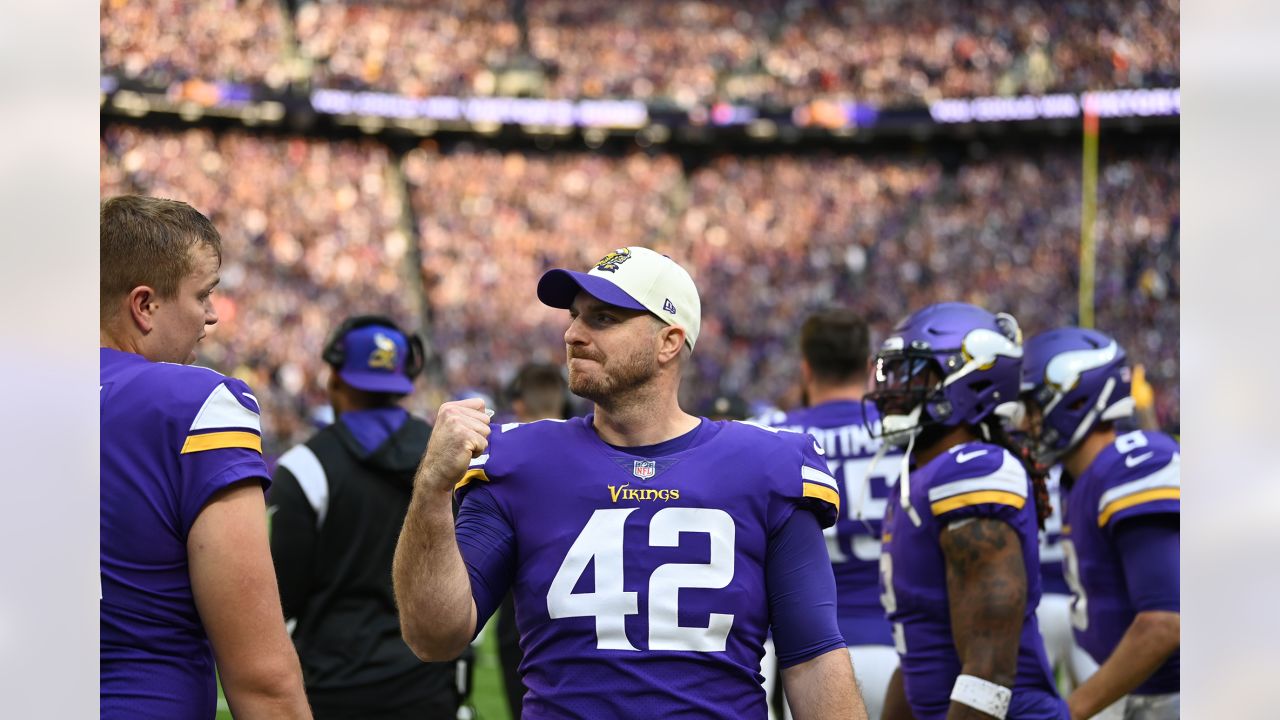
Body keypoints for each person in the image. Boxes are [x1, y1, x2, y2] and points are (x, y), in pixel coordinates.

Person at [393, 246, 868, 719]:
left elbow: (813, 657)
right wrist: (432, 489)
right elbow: (433, 636)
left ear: (669, 342)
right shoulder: (518, 461)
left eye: (603, 319)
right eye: (575, 317)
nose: (573, 334)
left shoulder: (766, 465)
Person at [99, 195, 310, 719]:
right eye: (203, 295)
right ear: (144, 306)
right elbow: (261, 677)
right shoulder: (194, 404)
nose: (212, 316)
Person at [869, 302, 1066, 720]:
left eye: (913, 374)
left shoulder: (974, 471)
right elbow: (919, 654)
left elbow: (989, 670)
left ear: (973, 380)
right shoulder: (921, 476)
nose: (890, 390)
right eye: (891, 373)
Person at [268, 315, 459, 719]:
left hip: (334, 685)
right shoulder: (449, 460)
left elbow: (282, 596)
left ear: (335, 377)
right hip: (429, 681)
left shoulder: (305, 467)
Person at [1020, 328, 1179, 720]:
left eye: (1035, 408)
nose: (1026, 424)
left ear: (1074, 401)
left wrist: (1070, 711)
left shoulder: (1133, 463)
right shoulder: (1081, 478)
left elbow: (1165, 621)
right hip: (1144, 694)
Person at [757, 309, 903, 720]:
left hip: (803, 660)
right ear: (869, 369)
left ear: (805, 370)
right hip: (901, 650)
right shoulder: (909, 434)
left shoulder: (767, 437)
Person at [494, 362, 573, 719]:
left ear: (520, 404)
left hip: (522, 611)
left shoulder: (507, 454)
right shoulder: (597, 447)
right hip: (588, 613)